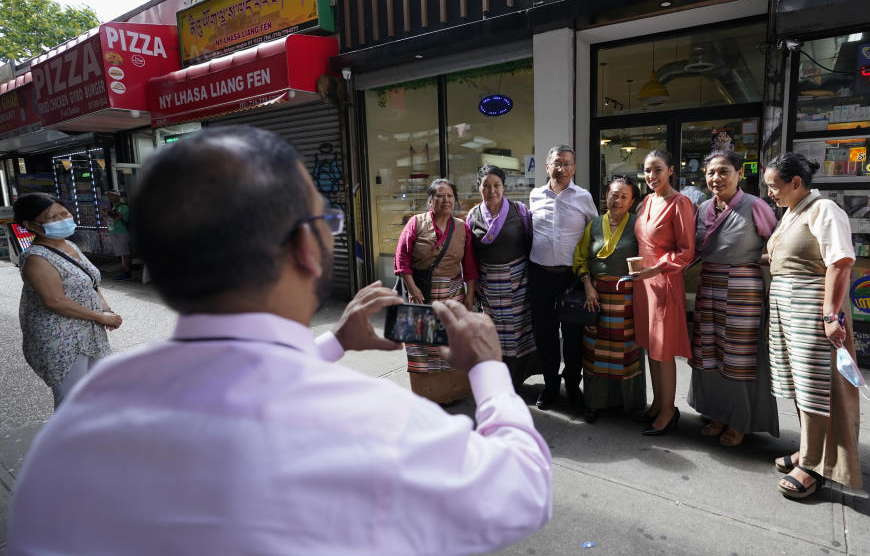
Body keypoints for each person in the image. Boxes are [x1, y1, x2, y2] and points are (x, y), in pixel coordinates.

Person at [7, 126, 552, 555]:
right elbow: (524, 490)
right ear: (306, 250)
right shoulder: (377, 426)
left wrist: (334, 343)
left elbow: (233, 386)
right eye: (326, 219)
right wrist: (487, 368)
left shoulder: (80, 421)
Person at [763, 152, 861, 499]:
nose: (770, 193)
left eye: (774, 187)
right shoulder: (793, 212)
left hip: (811, 313)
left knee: (816, 389)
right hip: (788, 312)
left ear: (796, 183)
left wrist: (830, 315)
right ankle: (809, 450)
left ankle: (813, 465)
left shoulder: (824, 210)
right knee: (799, 384)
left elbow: (841, 262)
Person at [687, 151, 780, 447]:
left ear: (739, 174)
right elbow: (695, 251)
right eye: (711, 172)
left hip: (743, 290)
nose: (716, 178)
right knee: (710, 355)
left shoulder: (756, 206)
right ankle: (718, 413)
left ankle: (741, 420)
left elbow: (777, 245)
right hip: (709, 286)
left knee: (739, 359)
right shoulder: (702, 209)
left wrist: (752, 261)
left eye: (724, 171)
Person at [13, 193, 122, 408]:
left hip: (89, 332)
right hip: (61, 339)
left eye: (64, 213)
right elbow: (55, 301)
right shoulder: (36, 258)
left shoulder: (71, 246)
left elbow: (90, 281)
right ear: (30, 225)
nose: (62, 219)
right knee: (72, 401)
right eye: (52, 217)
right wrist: (100, 316)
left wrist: (106, 308)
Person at [394, 178, 478, 403]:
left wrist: (470, 295)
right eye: (440, 195)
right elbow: (401, 259)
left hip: (453, 295)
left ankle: (452, 392)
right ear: (430, 200)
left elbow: (470, 266)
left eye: (450, 196)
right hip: (420, 294)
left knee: (451, 344)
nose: (445, 200)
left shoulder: (462, 228)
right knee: (421, 348)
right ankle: (425, 395)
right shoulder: (416, 223)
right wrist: (412, 288)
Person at [630, 150, 696, 435]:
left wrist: (655, 269)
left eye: (657, 170)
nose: (651, 176)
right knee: (650, 346)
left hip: (664, 281)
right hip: (643, 284)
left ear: (671, 170)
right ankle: (658, 402)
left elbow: (686, 252)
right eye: (647, 170)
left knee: (664, 349)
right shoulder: (646, 201)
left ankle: (669, 411)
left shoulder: (680, 203)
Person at [529, 145, 599, 410]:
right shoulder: (535, 196)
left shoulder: (583, 197)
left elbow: (594, 235)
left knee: (573, 337)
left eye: (568, 163)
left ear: (574, 168)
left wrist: (589, 280)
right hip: (541, 276)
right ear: (547, 167)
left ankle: (572, 385)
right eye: (557, 163)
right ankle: (550, 387)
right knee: (545, 336)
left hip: (571, 278)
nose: (563, 169)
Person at [573, 174, 644, 423]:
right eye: (614, 194)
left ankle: (630, 403)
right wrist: (588, 285)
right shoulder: (593, 225)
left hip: (627, 297)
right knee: (594, 351)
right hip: (596, 296)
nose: (618, 200)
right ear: (605, 196)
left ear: (632, 200)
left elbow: (647, 257)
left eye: (624, 196)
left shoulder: (638, 224)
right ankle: (594, 402)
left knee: (626, 352)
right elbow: (580, 258)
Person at [467, 164, 539, 388]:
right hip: (489, 285)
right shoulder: (473, 215)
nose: (491, 190)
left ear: (504, 187)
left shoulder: (519, 211)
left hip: (519, 282)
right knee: (494, 333)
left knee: (519, 332)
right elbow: (470, 253)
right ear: (479, 188)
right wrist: (474, 282)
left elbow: (531, 243)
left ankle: (518, 378)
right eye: (486, 185)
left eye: (496, 185)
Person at [106, 189, 132, 280]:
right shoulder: (114, 207)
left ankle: (127, 273)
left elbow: (117, 218)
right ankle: (125, 271)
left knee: (125, 253)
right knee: (122, 253)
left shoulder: (122, 206)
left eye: (112, 195)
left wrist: (108, 213)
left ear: (117, 196)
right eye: (108, 196)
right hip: (116, 232)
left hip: (122, 232)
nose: (109, 197)